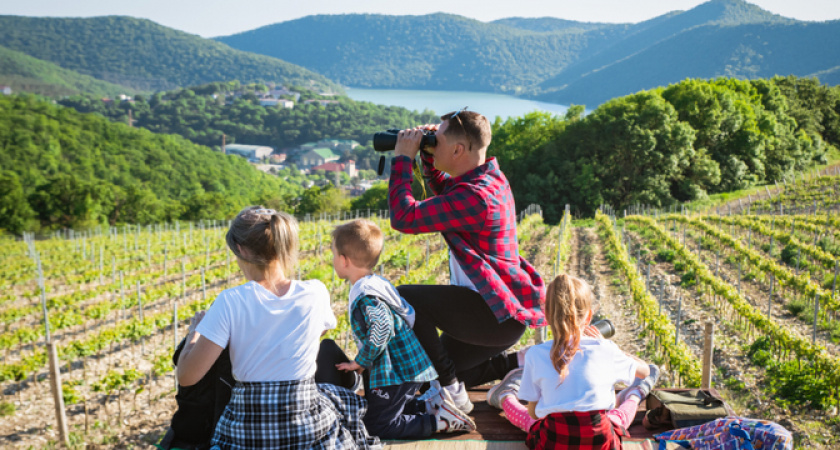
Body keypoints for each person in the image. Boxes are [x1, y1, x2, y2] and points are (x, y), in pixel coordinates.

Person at [176, 206, 380, 450]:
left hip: (246, 435)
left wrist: (195, 333)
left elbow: (188, 377)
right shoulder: (315, 292)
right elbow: (320, 332)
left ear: (240, 249)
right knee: (336, 397)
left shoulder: (230, 300)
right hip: (307, 430)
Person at [388, 108, 546, 413]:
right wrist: (426, 153)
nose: (432, 146)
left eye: (438, 142)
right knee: (425, 378)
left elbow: (403, 217)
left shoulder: (476, 198)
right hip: (501, 316)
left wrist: (402, 159)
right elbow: (446, 192)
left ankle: (450, 389)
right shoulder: (488, 180)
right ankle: (517, 363)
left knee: (402, 297)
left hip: (491, 316)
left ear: (458, 150)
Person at [331, 219, 476, 438]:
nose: (332, 260)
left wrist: (360, 361)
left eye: (333, 255)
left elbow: (381, 328)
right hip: (403, 366)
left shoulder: (365, 294)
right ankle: (431, 407)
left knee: (378, 426)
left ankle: (440, 422)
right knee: (376, 411)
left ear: (344, 260)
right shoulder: (375, 282)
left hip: (396, 372)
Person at [485, 274, 660, 450]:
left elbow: (534, 413)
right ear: (589, 316)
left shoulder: (535, 354)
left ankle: (505, 396)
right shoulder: (605, 349)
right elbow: (645, 371)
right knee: (618, 418)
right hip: (600, 442)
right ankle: (636, 393)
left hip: (553, 443)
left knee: (528, 421)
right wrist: (610, 347)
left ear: (546, 314)